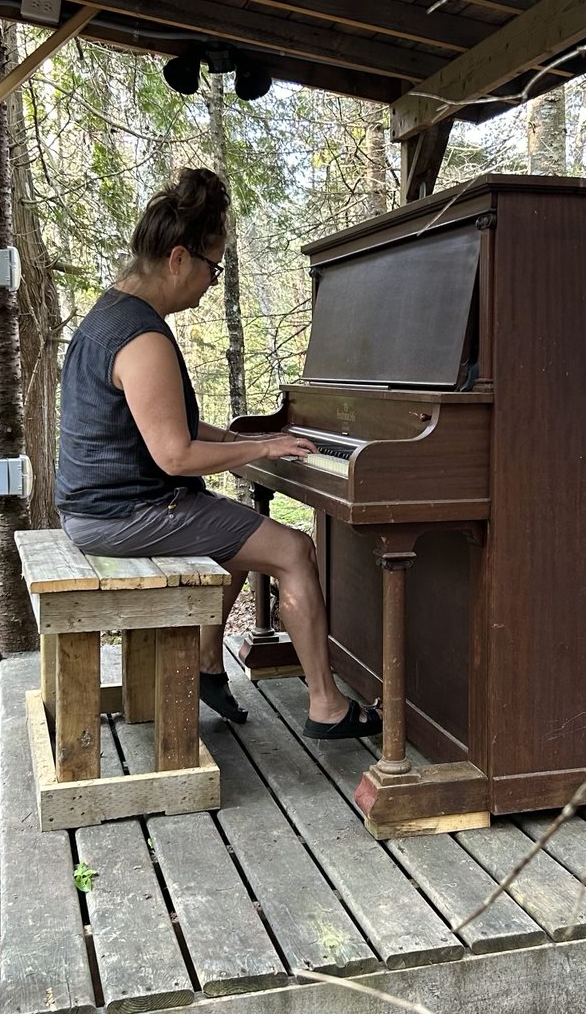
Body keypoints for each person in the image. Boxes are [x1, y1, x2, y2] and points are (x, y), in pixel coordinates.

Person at [54, 167, 381, 740]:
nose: (211, 283)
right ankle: (327, 706)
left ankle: (208, 666)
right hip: (122, 518)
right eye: (213, 267)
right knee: (295, 550)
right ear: (179, 258)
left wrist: (240, 441)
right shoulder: (144, 335)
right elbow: (175, 456)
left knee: (234, 537)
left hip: (101, 510)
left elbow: (160, 422)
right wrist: (266, 444)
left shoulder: (112, 315)